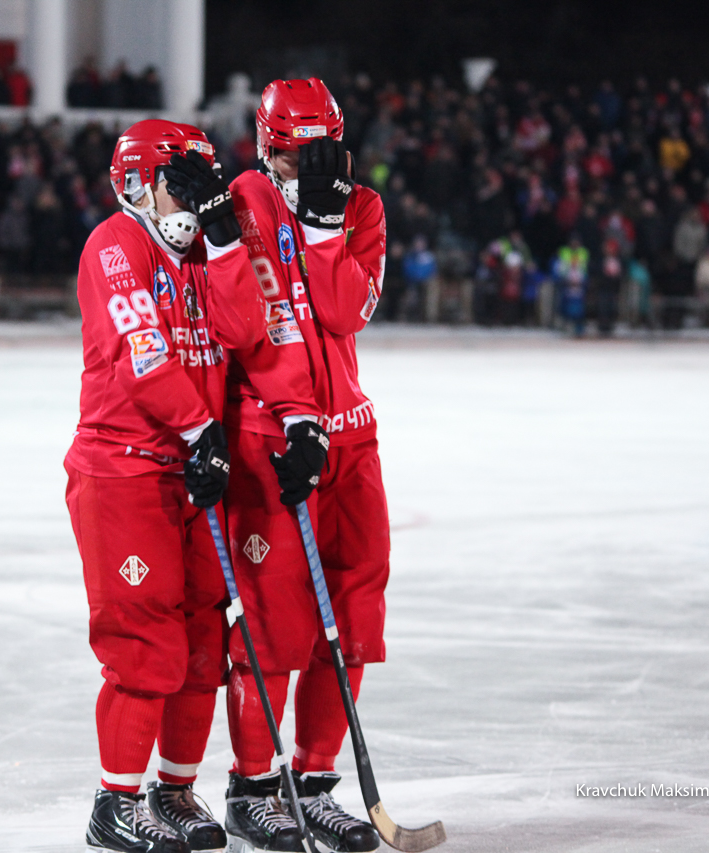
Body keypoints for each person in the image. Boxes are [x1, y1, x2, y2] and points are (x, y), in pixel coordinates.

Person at [64, 119, 308, 853]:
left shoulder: (204, 251)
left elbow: (246, 327)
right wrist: (203, 429)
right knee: (145, 641)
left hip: (196, 471)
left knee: (203, 635)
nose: (192, 204)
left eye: (203, 187)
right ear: (139, 185)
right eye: (181, 186)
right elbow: (140, 353)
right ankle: (114, 803)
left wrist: (226, 237)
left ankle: (172, 789)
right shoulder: (114, 243)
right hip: (126, 470)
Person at [221, 77, 388, 853]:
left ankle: (315, 783)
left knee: (353, 619)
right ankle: (254, 787)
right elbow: (251, 322)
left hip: (350, 438)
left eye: (320, 154)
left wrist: (324, 229)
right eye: (291, 155)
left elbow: (346, 310)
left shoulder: (362, 208)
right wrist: (288, 417)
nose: (303, 170)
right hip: (273, 437)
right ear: (265, 146)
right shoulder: (241, 203)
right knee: (274, 622)